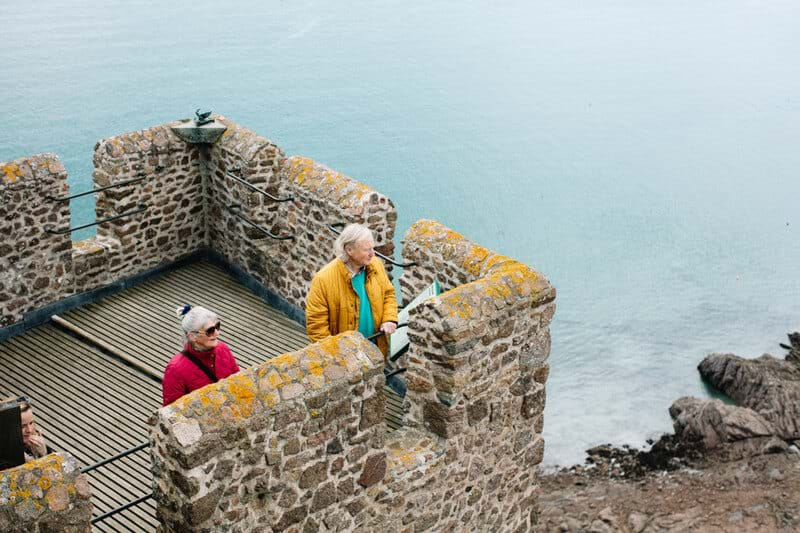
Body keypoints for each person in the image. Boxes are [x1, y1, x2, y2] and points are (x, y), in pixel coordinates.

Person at [306, 223, 398, 356]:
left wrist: (389, 319)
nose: (373, 254)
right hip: (344, 358)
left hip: (374, 349)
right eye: (367, 250)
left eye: (373, 248)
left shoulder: (376, 265)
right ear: (349, 250)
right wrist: (336, 358)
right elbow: (316, 326)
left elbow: (388, 294)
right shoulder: (323, 280)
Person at [162, 305, 240, 406]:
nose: (217, 333)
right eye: (210, 331)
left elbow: (238, 381)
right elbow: (171, 410)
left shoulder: (223, 348)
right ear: (192, 336)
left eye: (217, 326)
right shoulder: (175, 369)